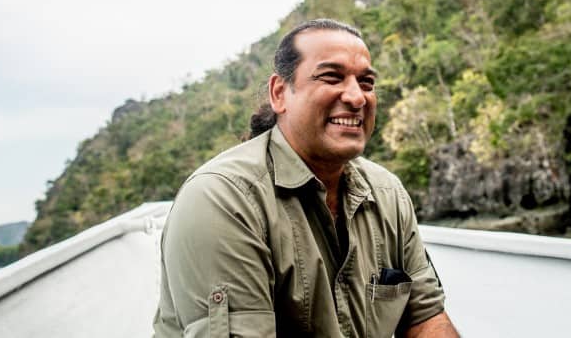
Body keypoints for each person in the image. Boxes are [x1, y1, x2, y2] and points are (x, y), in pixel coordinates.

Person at [153, 19, 460, 338]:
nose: (357, 98)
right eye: (332, 77)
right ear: (279, 93)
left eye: (367, 83)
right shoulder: (223, 199)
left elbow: (426, 318)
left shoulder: (387, 193)